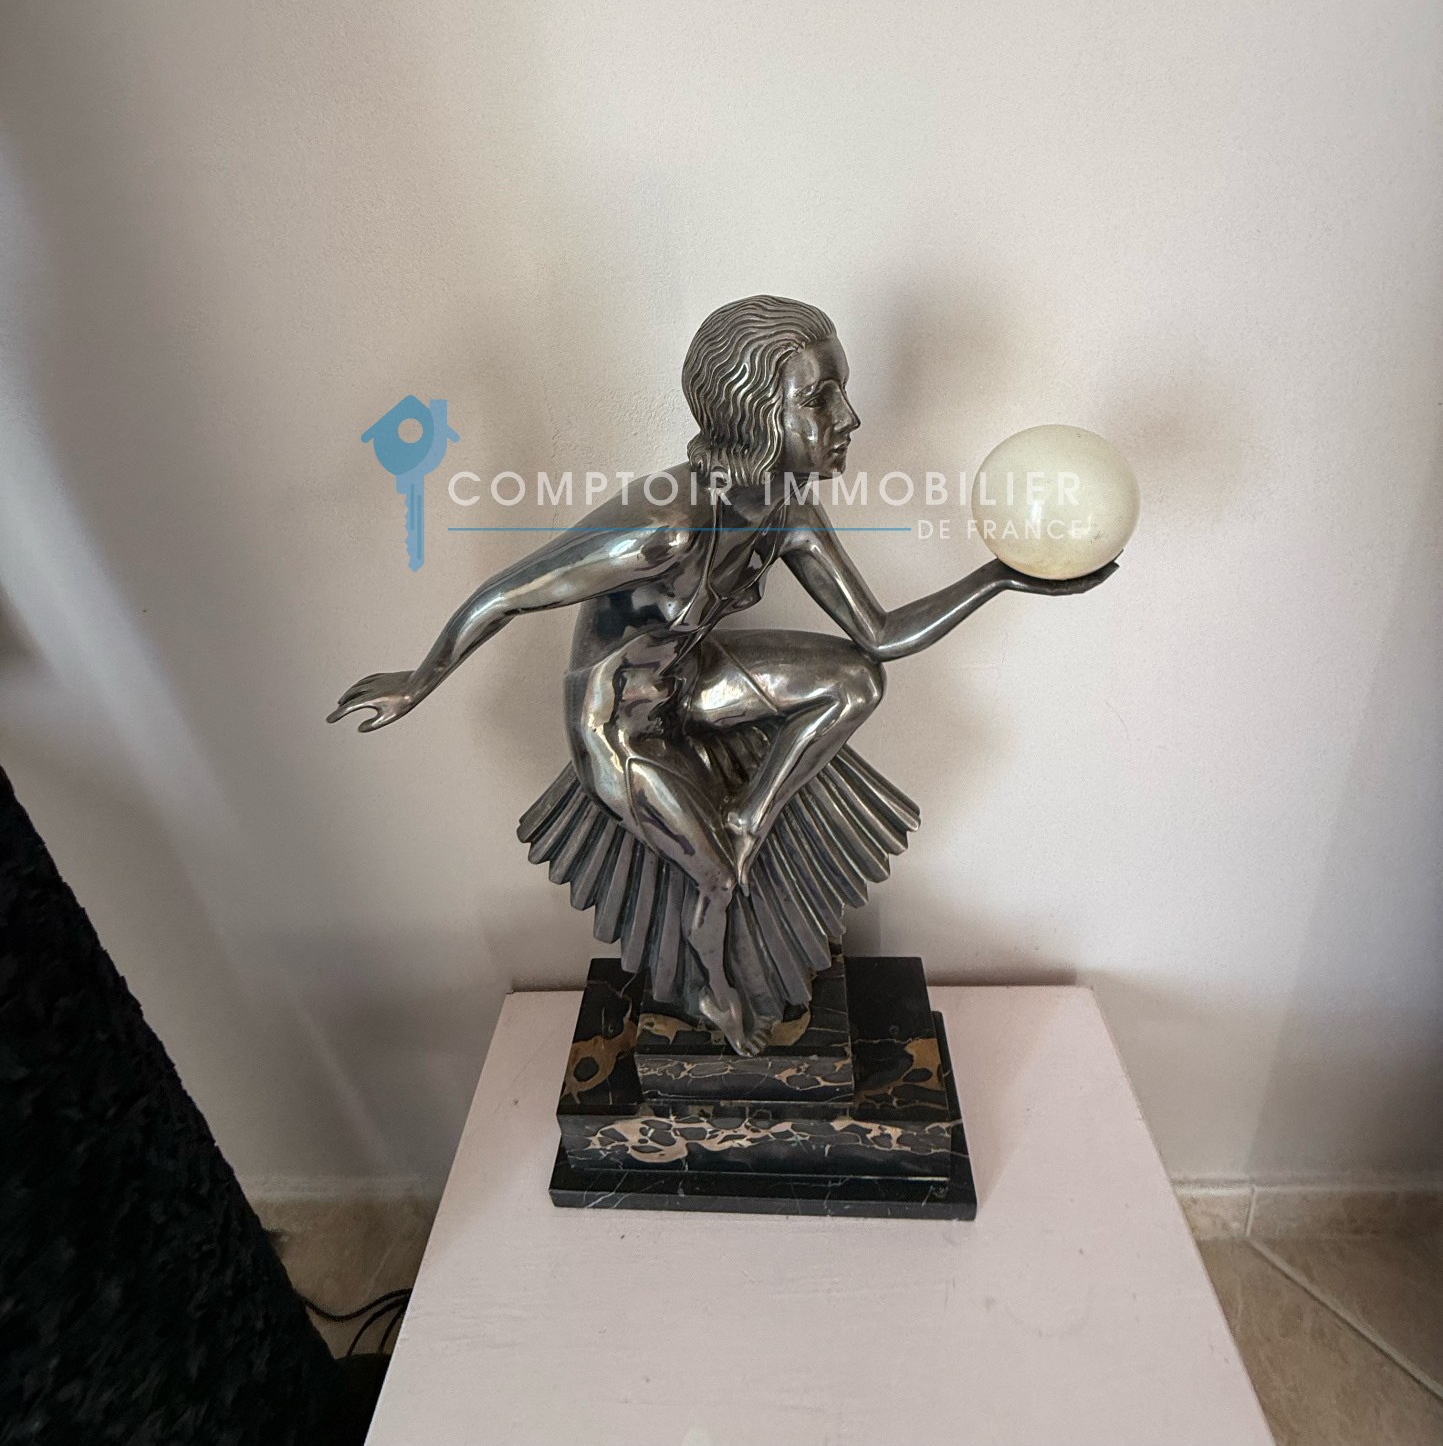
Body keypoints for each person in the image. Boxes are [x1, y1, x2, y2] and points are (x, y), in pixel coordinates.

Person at [330, 295, 1113, 1052]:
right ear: (754, 414)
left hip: (697, 681)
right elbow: (506, 593)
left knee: (856, 681)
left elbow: (877, 636)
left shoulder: (787, 510)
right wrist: (417, 681)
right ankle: (714, 992)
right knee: (715, 882)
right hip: (620, 730)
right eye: (820, 398)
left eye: (840, 393)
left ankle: (747, 818)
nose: (848, 419)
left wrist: (998, 578)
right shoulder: (664, 525)